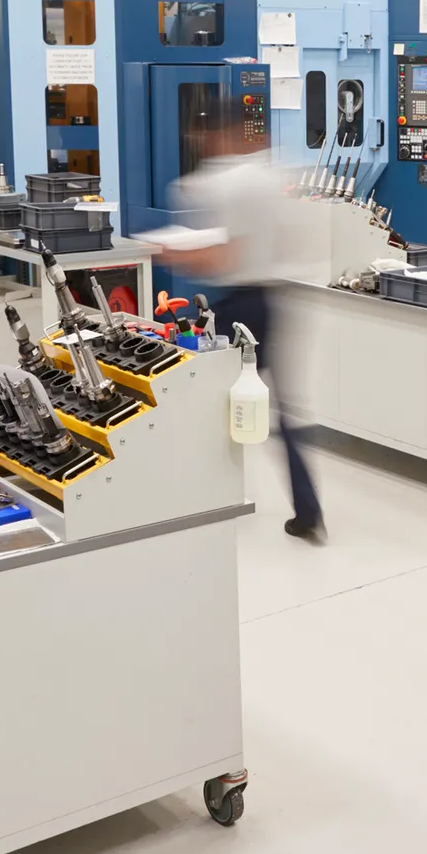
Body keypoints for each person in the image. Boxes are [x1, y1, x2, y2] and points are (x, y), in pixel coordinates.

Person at [167, 118, 325, 541]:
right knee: (282, 413)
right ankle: (308, 511)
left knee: (205, 400)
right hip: (274, 300)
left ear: (225, 135)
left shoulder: (232, 185)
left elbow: (221, 258)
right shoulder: (274, 180)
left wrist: (172, 253)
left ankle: (202, 499)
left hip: (240, 305)